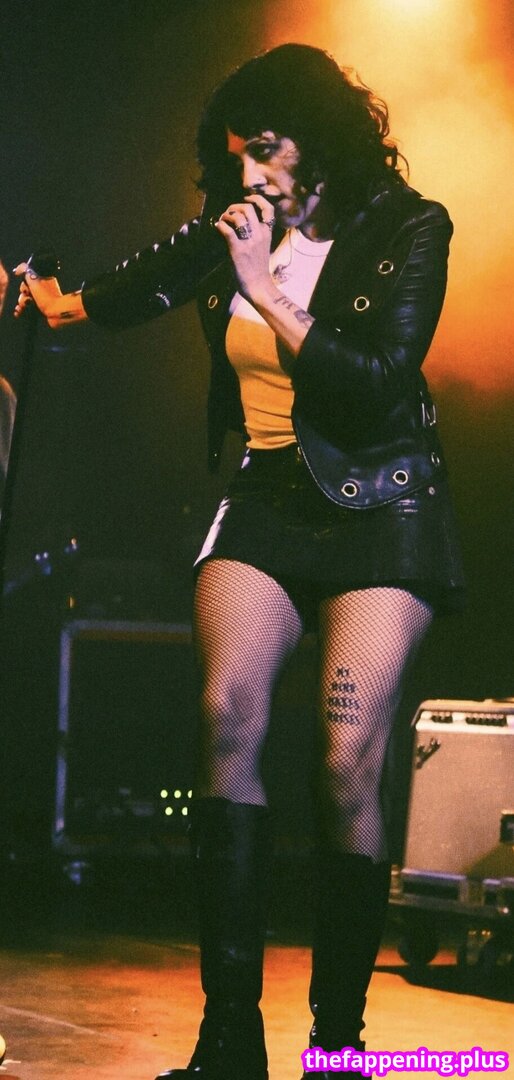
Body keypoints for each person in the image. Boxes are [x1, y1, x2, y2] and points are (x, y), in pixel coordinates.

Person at [15, 43, 464, 1080]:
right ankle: (228, 1044)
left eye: (267, 150)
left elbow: (375, 381)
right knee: (226, 714)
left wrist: (265, 285)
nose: (251, 175)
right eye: (238, 157)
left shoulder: (409, 227)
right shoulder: (239, 224)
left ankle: (338, 1046)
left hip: (382, 503)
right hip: (267, 497)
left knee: (346, 755)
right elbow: (144, 282)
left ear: (322, 137)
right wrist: (56, 302)